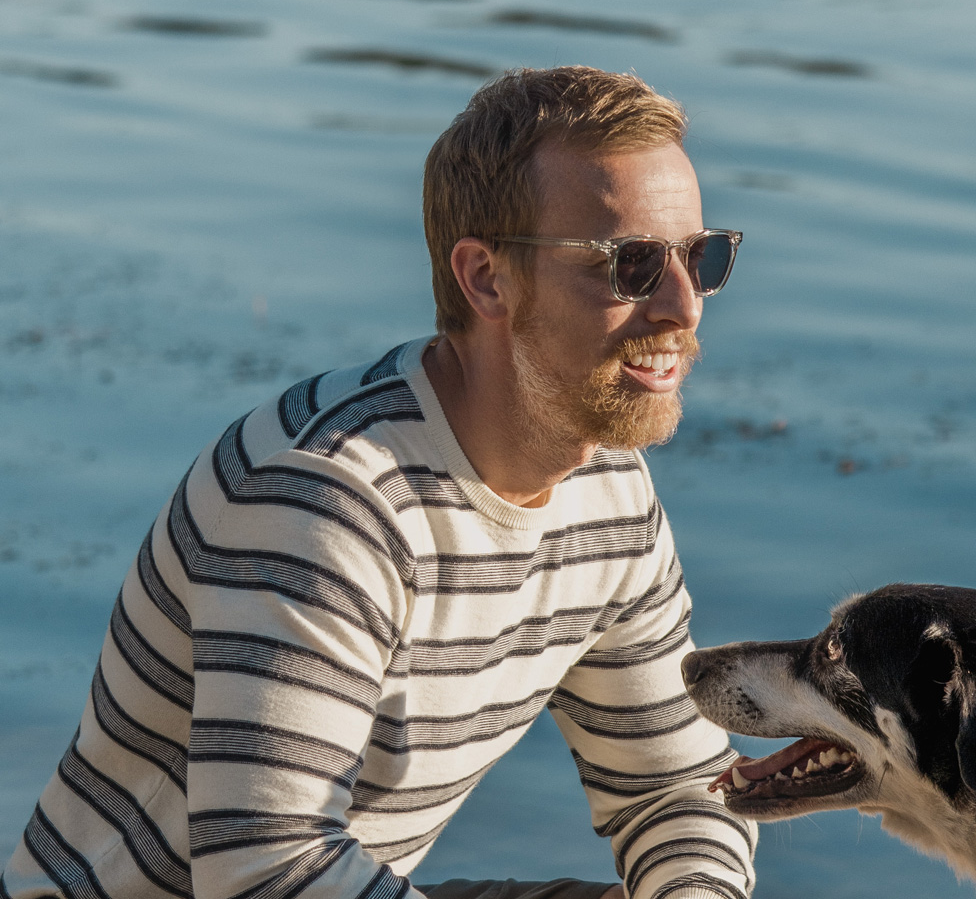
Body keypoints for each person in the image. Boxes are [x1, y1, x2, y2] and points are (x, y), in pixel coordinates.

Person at [0, 66, 755, 899]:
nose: (683, 307)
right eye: (633, 264)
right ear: (487, 277)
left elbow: (676, 787)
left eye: (702, 256)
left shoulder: (609, 493)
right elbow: (264, 875)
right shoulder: (324, 502)